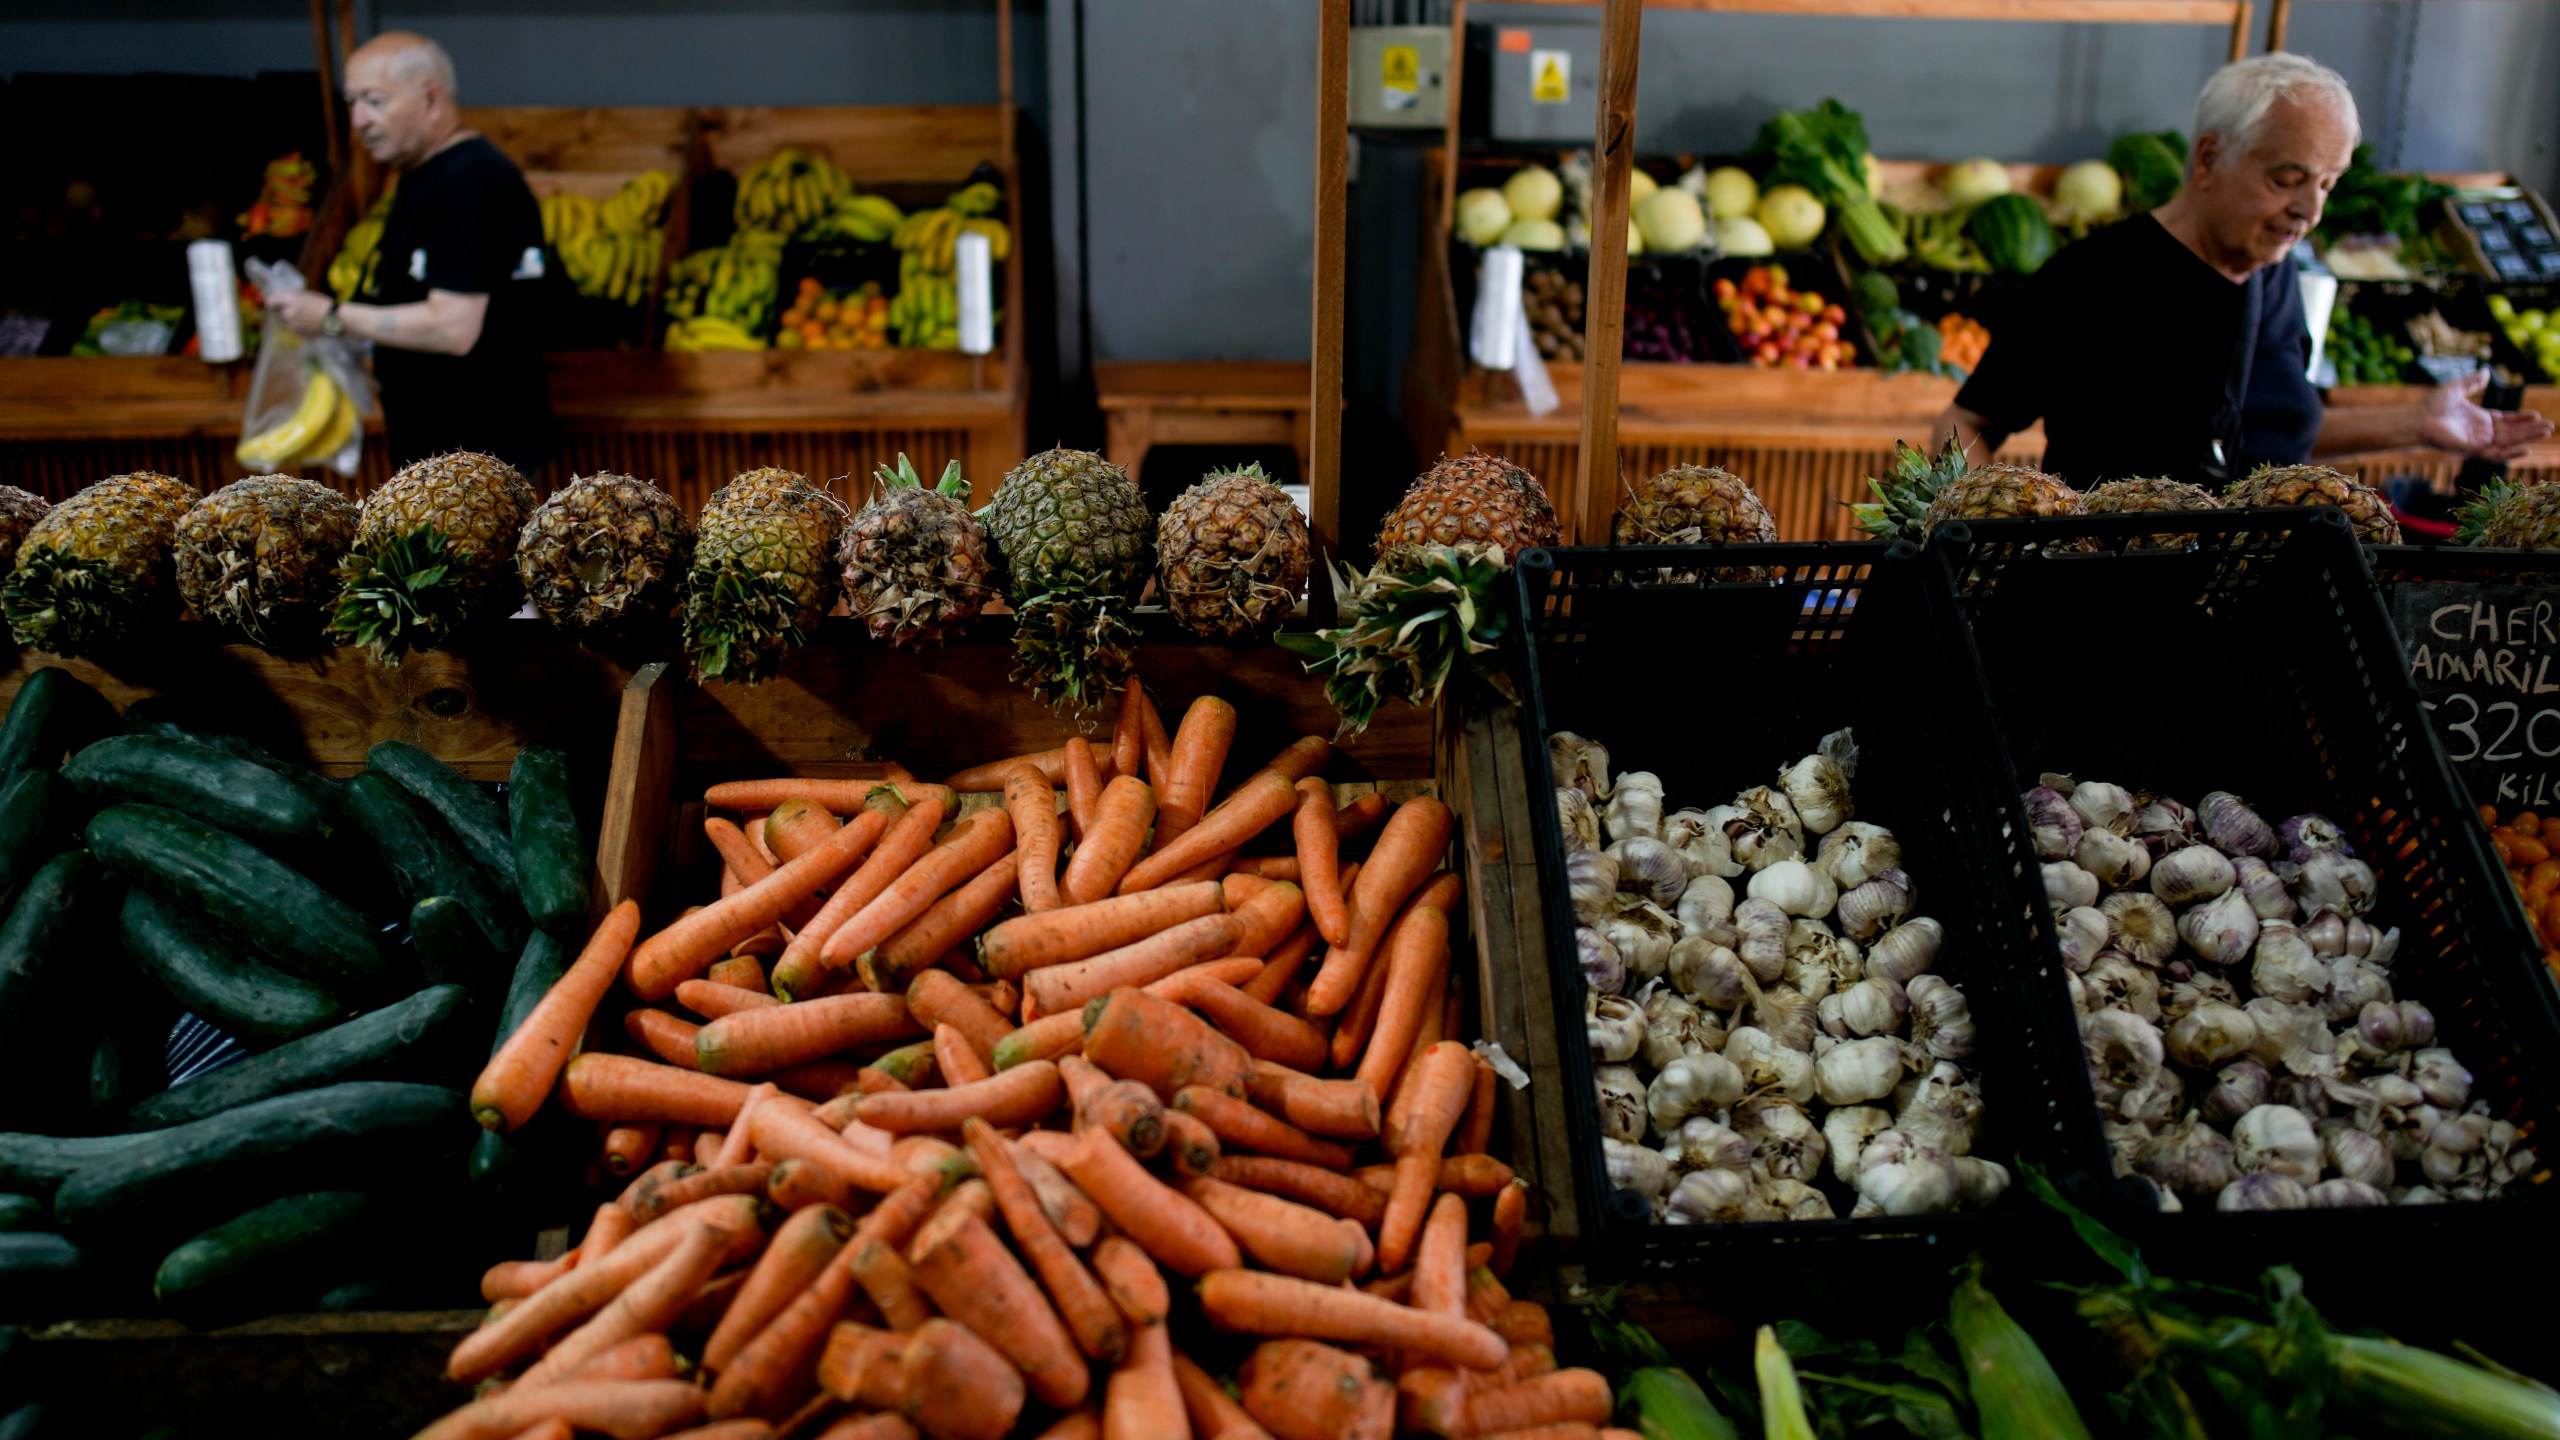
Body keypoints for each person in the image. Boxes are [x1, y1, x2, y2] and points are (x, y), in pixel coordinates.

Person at [1933, 53, 2550, 489]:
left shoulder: (2275, 277)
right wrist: (1995, 530)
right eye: (2287, 179)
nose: (2309, 210)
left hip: (2240, 607)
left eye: (2328, 185)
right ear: (2208, 159)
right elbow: (1967, 421)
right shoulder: (2096, 277)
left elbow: (2259, 439)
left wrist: (2416, 422)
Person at [275, 32, 555, 477]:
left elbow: (454, 328)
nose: (359, 120)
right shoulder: (422, 172)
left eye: (374, 101)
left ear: (430, 99)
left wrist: (331, 316)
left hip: (479, 462)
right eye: (352, 102)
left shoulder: (471, 181)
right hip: (440, 455)